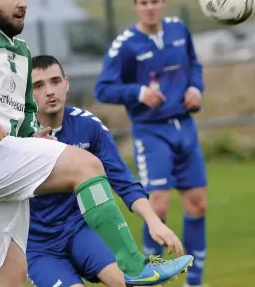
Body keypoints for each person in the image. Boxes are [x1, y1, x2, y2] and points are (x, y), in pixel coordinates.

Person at [0, 0, 194, 287]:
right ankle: (134, 266)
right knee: (85, 165)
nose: (22, 3)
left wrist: (34, 133)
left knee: (13, 280)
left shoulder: (20, 50)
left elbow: (21, 110)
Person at [27, 55, 193, 287]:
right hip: (37, 245)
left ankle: (137, 267)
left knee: (126, 281)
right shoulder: (19, 135)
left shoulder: (88, 126)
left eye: (55, 82)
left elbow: (123, 180)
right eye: (38, 85)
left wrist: (154, 222)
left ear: (66, 83)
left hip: (81, 231)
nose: (49, 91)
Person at [94, 0, 207, 287]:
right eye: (143, 3)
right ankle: (150, 277)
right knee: (157, 204)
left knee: (198, 203)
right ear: (135, 5)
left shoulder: (179, 31)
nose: (149, 7)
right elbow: (103, 88)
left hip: (185, 126)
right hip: (151, 131)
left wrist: (196, 88)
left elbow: (195, 65)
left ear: (163, 1)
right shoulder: (126, 45)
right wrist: (139, 92)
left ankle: (194, 281)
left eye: (154, 1)